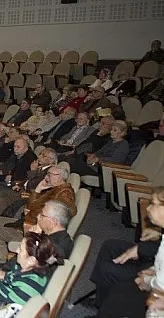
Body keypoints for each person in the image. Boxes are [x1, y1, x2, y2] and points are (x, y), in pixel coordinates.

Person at [97, 186, 164, 318]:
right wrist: (154, 270)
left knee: (117, 295)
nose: (148, 208)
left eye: (153, 204)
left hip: (157, 294)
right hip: (153, 271)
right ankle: (100, 305)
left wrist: (147, 279)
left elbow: (160, 284)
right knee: (109, 245)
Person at [0, 165, 76, 263]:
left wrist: (39, 226)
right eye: (47, 174)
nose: (46, 177)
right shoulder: (52, 189)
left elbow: (68, 211)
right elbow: (31, 206)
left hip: (31, 229)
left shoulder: (64, 193)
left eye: (50, 174)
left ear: (59, 177)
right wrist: (38, 189)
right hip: (27, 220)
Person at [89, 227, 161, 308]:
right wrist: (160, 233)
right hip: (156, 256)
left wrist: (142, 250)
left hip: (158, 273)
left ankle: (105, 309)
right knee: (109, 245)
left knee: (107, 270)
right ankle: (101, 302)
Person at [0, 148, 57, 217]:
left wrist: (33, 171)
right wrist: (19, 185)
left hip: (27, 194)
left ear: (51, 160)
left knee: (2, 197)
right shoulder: (41, 168)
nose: (39, 157)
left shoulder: (49, 172)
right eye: (40, 154)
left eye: (43, 156)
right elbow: (26, 180)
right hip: (21, 189)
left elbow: (33, 185)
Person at [65, 120, 130, 177]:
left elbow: (115, 160)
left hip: (104, 171)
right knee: (70, 159)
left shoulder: (123, 144)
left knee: (72, 162)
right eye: (111, 130)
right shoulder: (111, 141)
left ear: (122, 133)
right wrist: (93, 155)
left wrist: (97, 159)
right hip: (94, 165)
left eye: (115, 130)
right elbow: (100, 151)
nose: (111, 132)